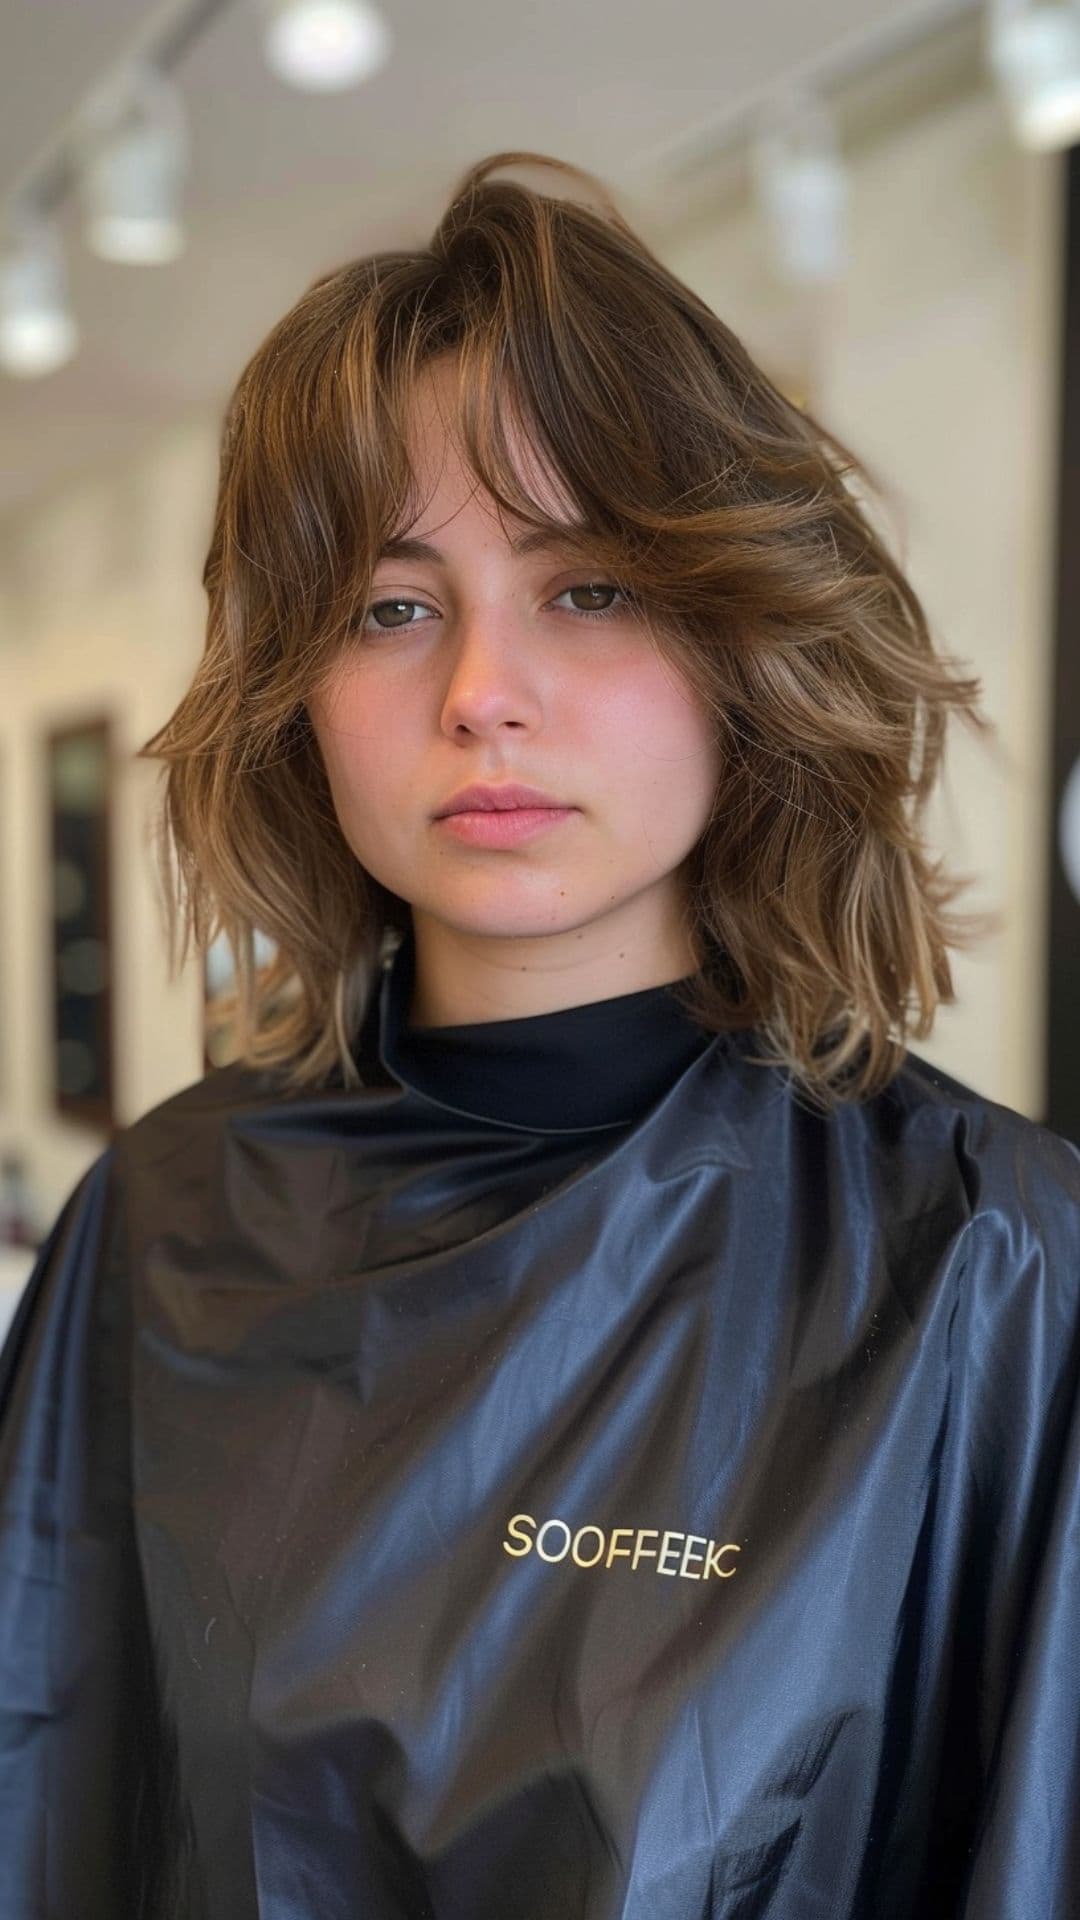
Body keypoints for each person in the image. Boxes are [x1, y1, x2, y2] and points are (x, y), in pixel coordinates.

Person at [1, 149, 1077, 1920]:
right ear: (298, 694)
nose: (480, 692)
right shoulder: (158, 1234)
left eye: (589, 588)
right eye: (389, 608)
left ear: (743, 638)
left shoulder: (989, 1269)